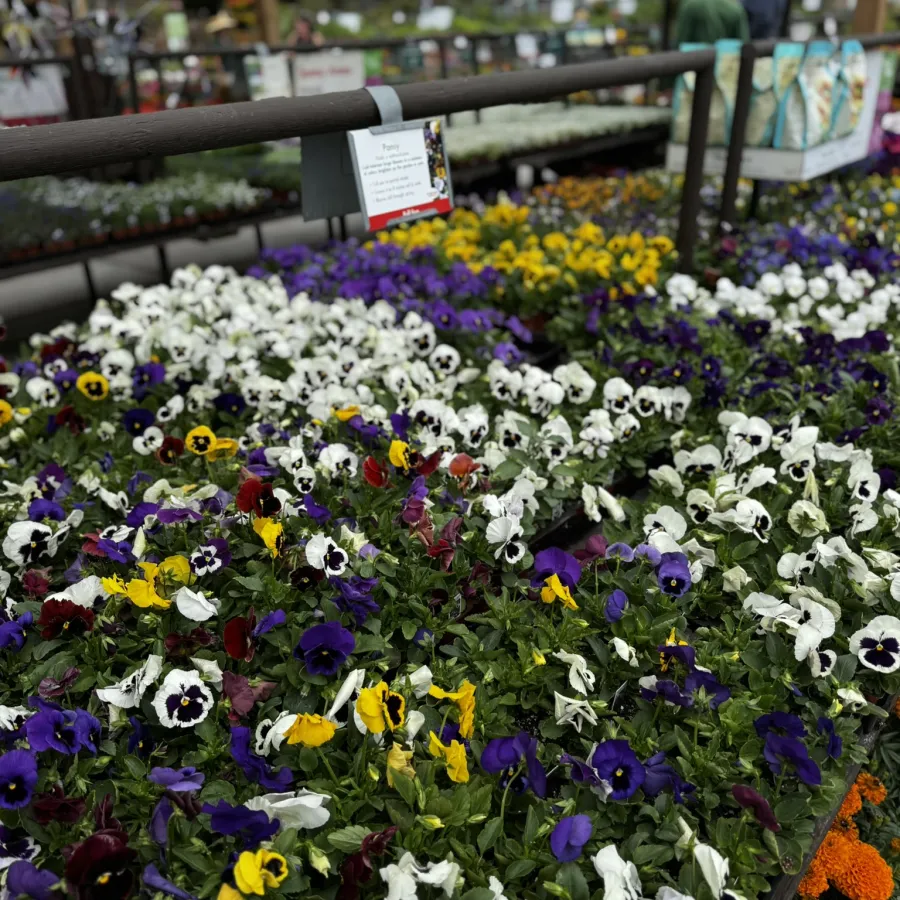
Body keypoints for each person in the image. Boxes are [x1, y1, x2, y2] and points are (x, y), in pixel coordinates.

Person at [674, 0, 749, 44]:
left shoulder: (689, 5)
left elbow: (680, 41)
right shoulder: (735, 9)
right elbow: (744, 45)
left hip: (693, 65)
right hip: (725, 64)